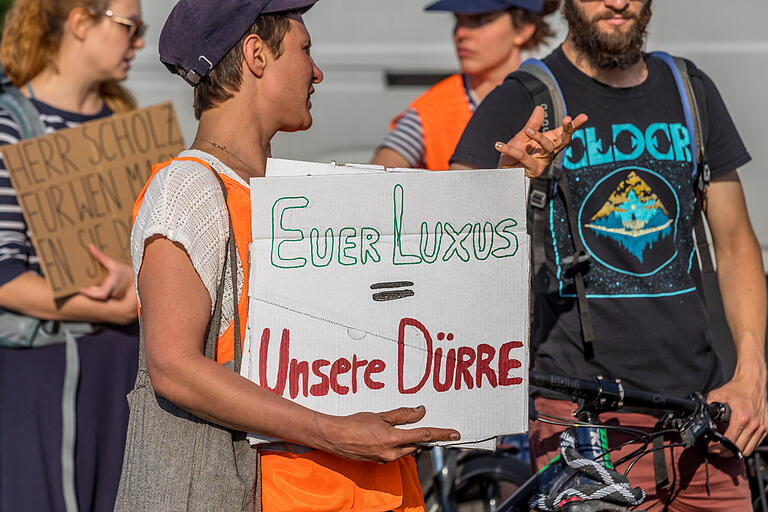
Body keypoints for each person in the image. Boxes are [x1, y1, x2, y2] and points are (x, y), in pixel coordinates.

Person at [120, 0, 584, 510]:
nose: (317, 72)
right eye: (305, 50)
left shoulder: (299, 195)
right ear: (255, 55)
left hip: (376, 493)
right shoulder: (189, 189)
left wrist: (503, 186)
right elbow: (173, 366)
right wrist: (331, 430)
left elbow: (421, 282)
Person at [452, 0, 768, 509]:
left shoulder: (689, 90)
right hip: (582, 428)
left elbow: (735, 243)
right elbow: (445, 243)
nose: (617, 1)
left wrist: (753, 375)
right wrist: (504, 185)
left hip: (705, 421)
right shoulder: (524, 97)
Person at [0, 0, 144, 510]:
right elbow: (5, 276)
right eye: (132, 28)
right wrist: (118, 307)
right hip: (46, 375)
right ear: (81, 22)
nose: (141, 42)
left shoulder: (127, 122)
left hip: (126, 374)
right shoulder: (10, 123)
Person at [371, 0, 559, 170]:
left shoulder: (555, 93)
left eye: (480, 20)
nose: (460, 33)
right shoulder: (428, 113)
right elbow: (373, 183)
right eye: (458, 20)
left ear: (523, 29)